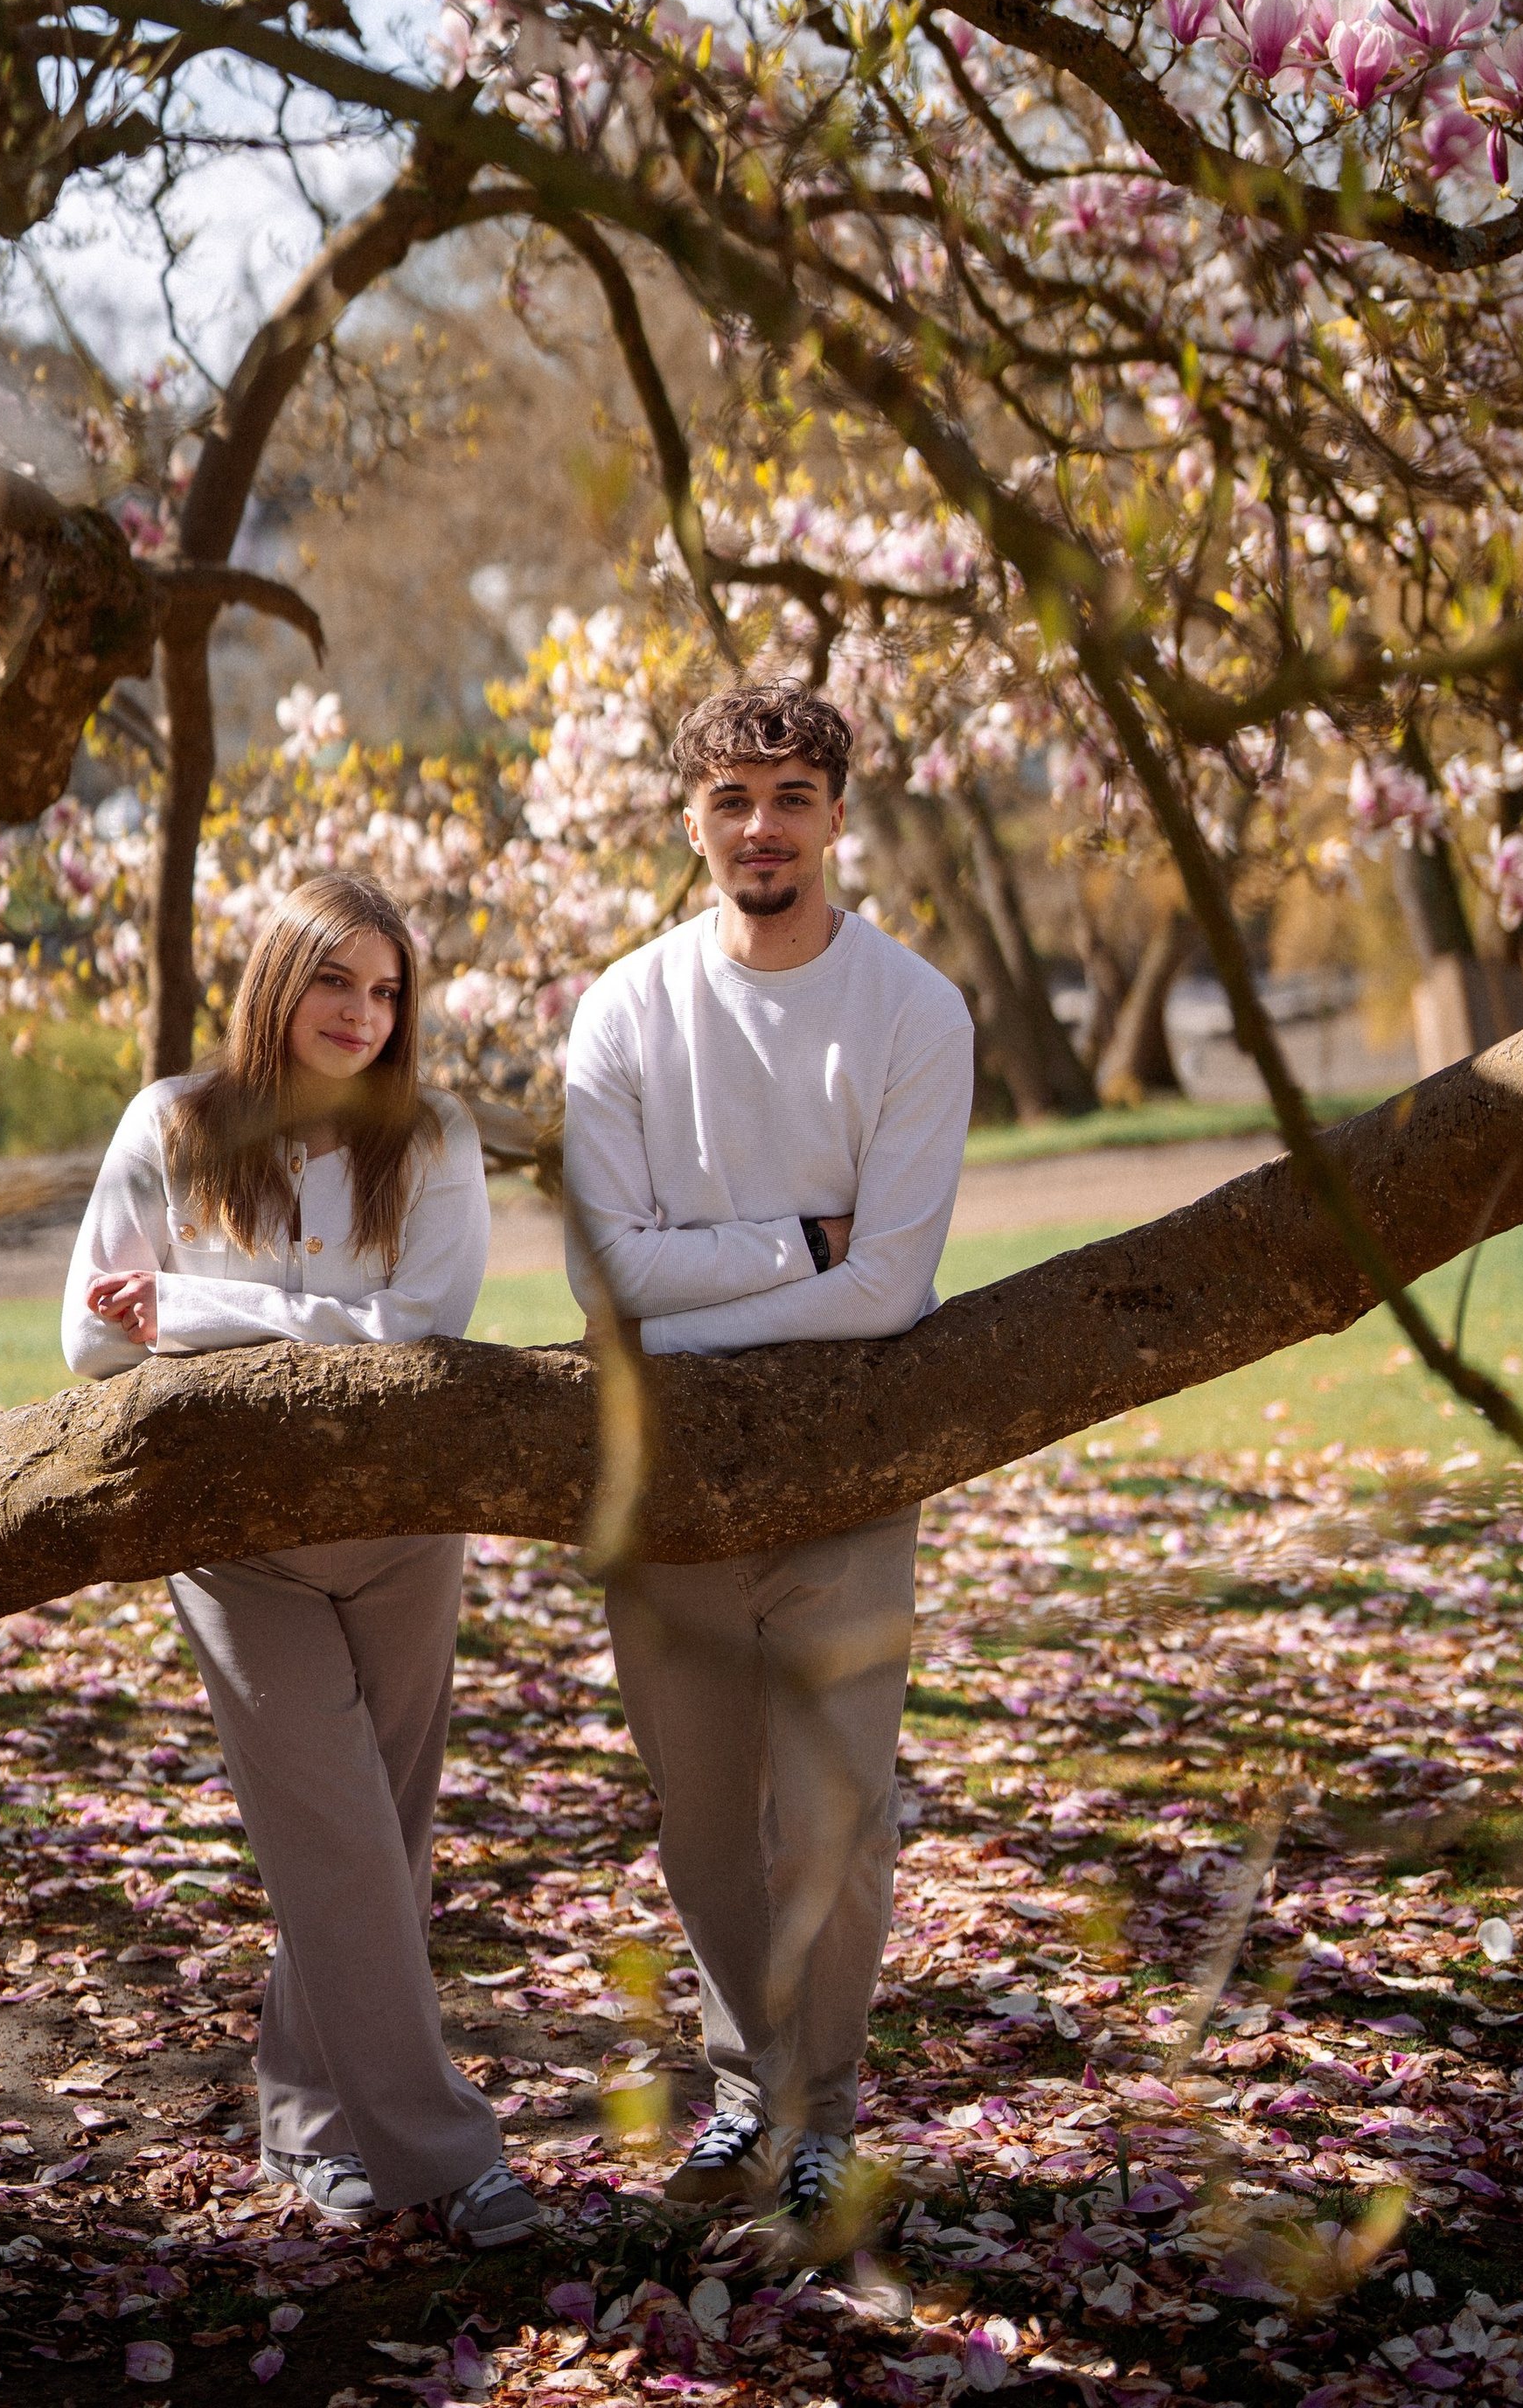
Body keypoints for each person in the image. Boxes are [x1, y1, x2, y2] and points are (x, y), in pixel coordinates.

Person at [60, 868, 539, 2253]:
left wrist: (200, 1305)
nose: (363, 1014)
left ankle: (305, 2120)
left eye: (387, 991)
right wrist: (278, 1321)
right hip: (239, 1547)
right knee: (335, 1839)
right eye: (337, 981)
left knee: (375, 1848)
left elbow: (418, 1337)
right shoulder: (171, 1123)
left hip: (404, 1534)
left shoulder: (434, 1136)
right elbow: (93, 1339)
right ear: (279, 982)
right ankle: (447, 2153)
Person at [561, 681, 973, 2246]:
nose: (762, 828)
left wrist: (691, 1297)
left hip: (854, 1476)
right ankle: (748, 2084)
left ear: (837, 815)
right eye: (732, 799)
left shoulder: (913, 1013)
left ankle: (827, 2108)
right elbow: (610, 1277)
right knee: (701, 1820)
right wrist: (794, 1243)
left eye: (791, 796)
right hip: (667, 1491)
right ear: (690, 820)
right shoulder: (625, 1011)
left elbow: (893, 1293)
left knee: (838, 1819)